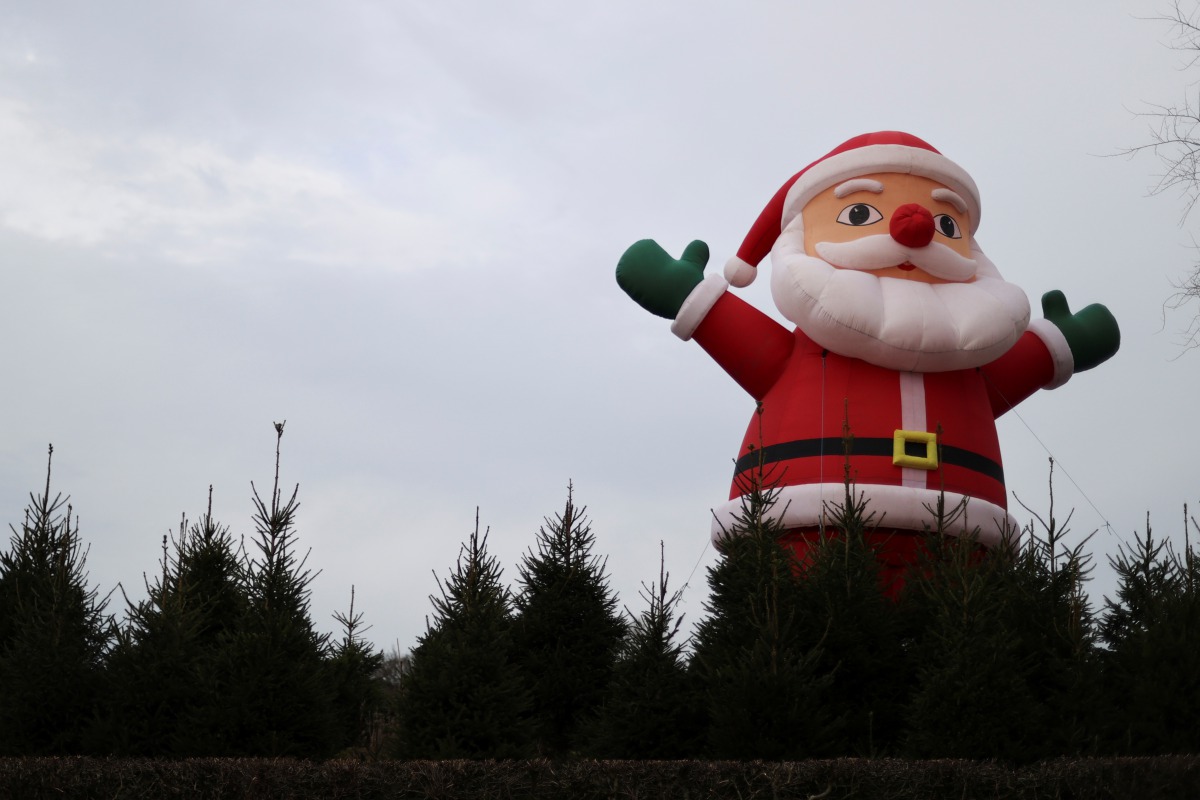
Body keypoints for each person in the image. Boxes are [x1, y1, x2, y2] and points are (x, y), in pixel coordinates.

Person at [616, 131, 1120, 589]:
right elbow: (736, 337)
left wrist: (1063, 341)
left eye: (946, 222)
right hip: (806, 527)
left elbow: (1015, 371)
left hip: (964, 542)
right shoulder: (802, 350)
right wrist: (685, 292)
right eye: (859, 214)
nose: (916, 230)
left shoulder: (970, 354)